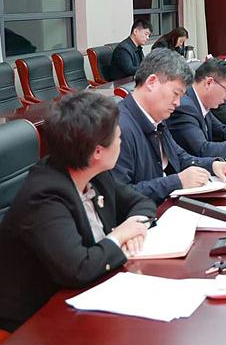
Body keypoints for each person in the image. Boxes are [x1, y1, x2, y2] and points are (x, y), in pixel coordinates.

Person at [0, 92, 156, 332]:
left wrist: (134, 226)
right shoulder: (44, 196)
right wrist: (120, 236)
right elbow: (79, 268)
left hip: (88, 293)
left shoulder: (96, 172)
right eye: (118, 137)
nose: (121, 142)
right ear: (97, 152)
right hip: (36, 319)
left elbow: (141, 202)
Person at [113, 49, 226, 203]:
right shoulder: (118, 128)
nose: (178, 103)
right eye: (175, 93)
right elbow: (120, 196)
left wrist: (213, 165)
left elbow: (179, 157)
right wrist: (176, 181)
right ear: (151, 82)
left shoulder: (157, 117)